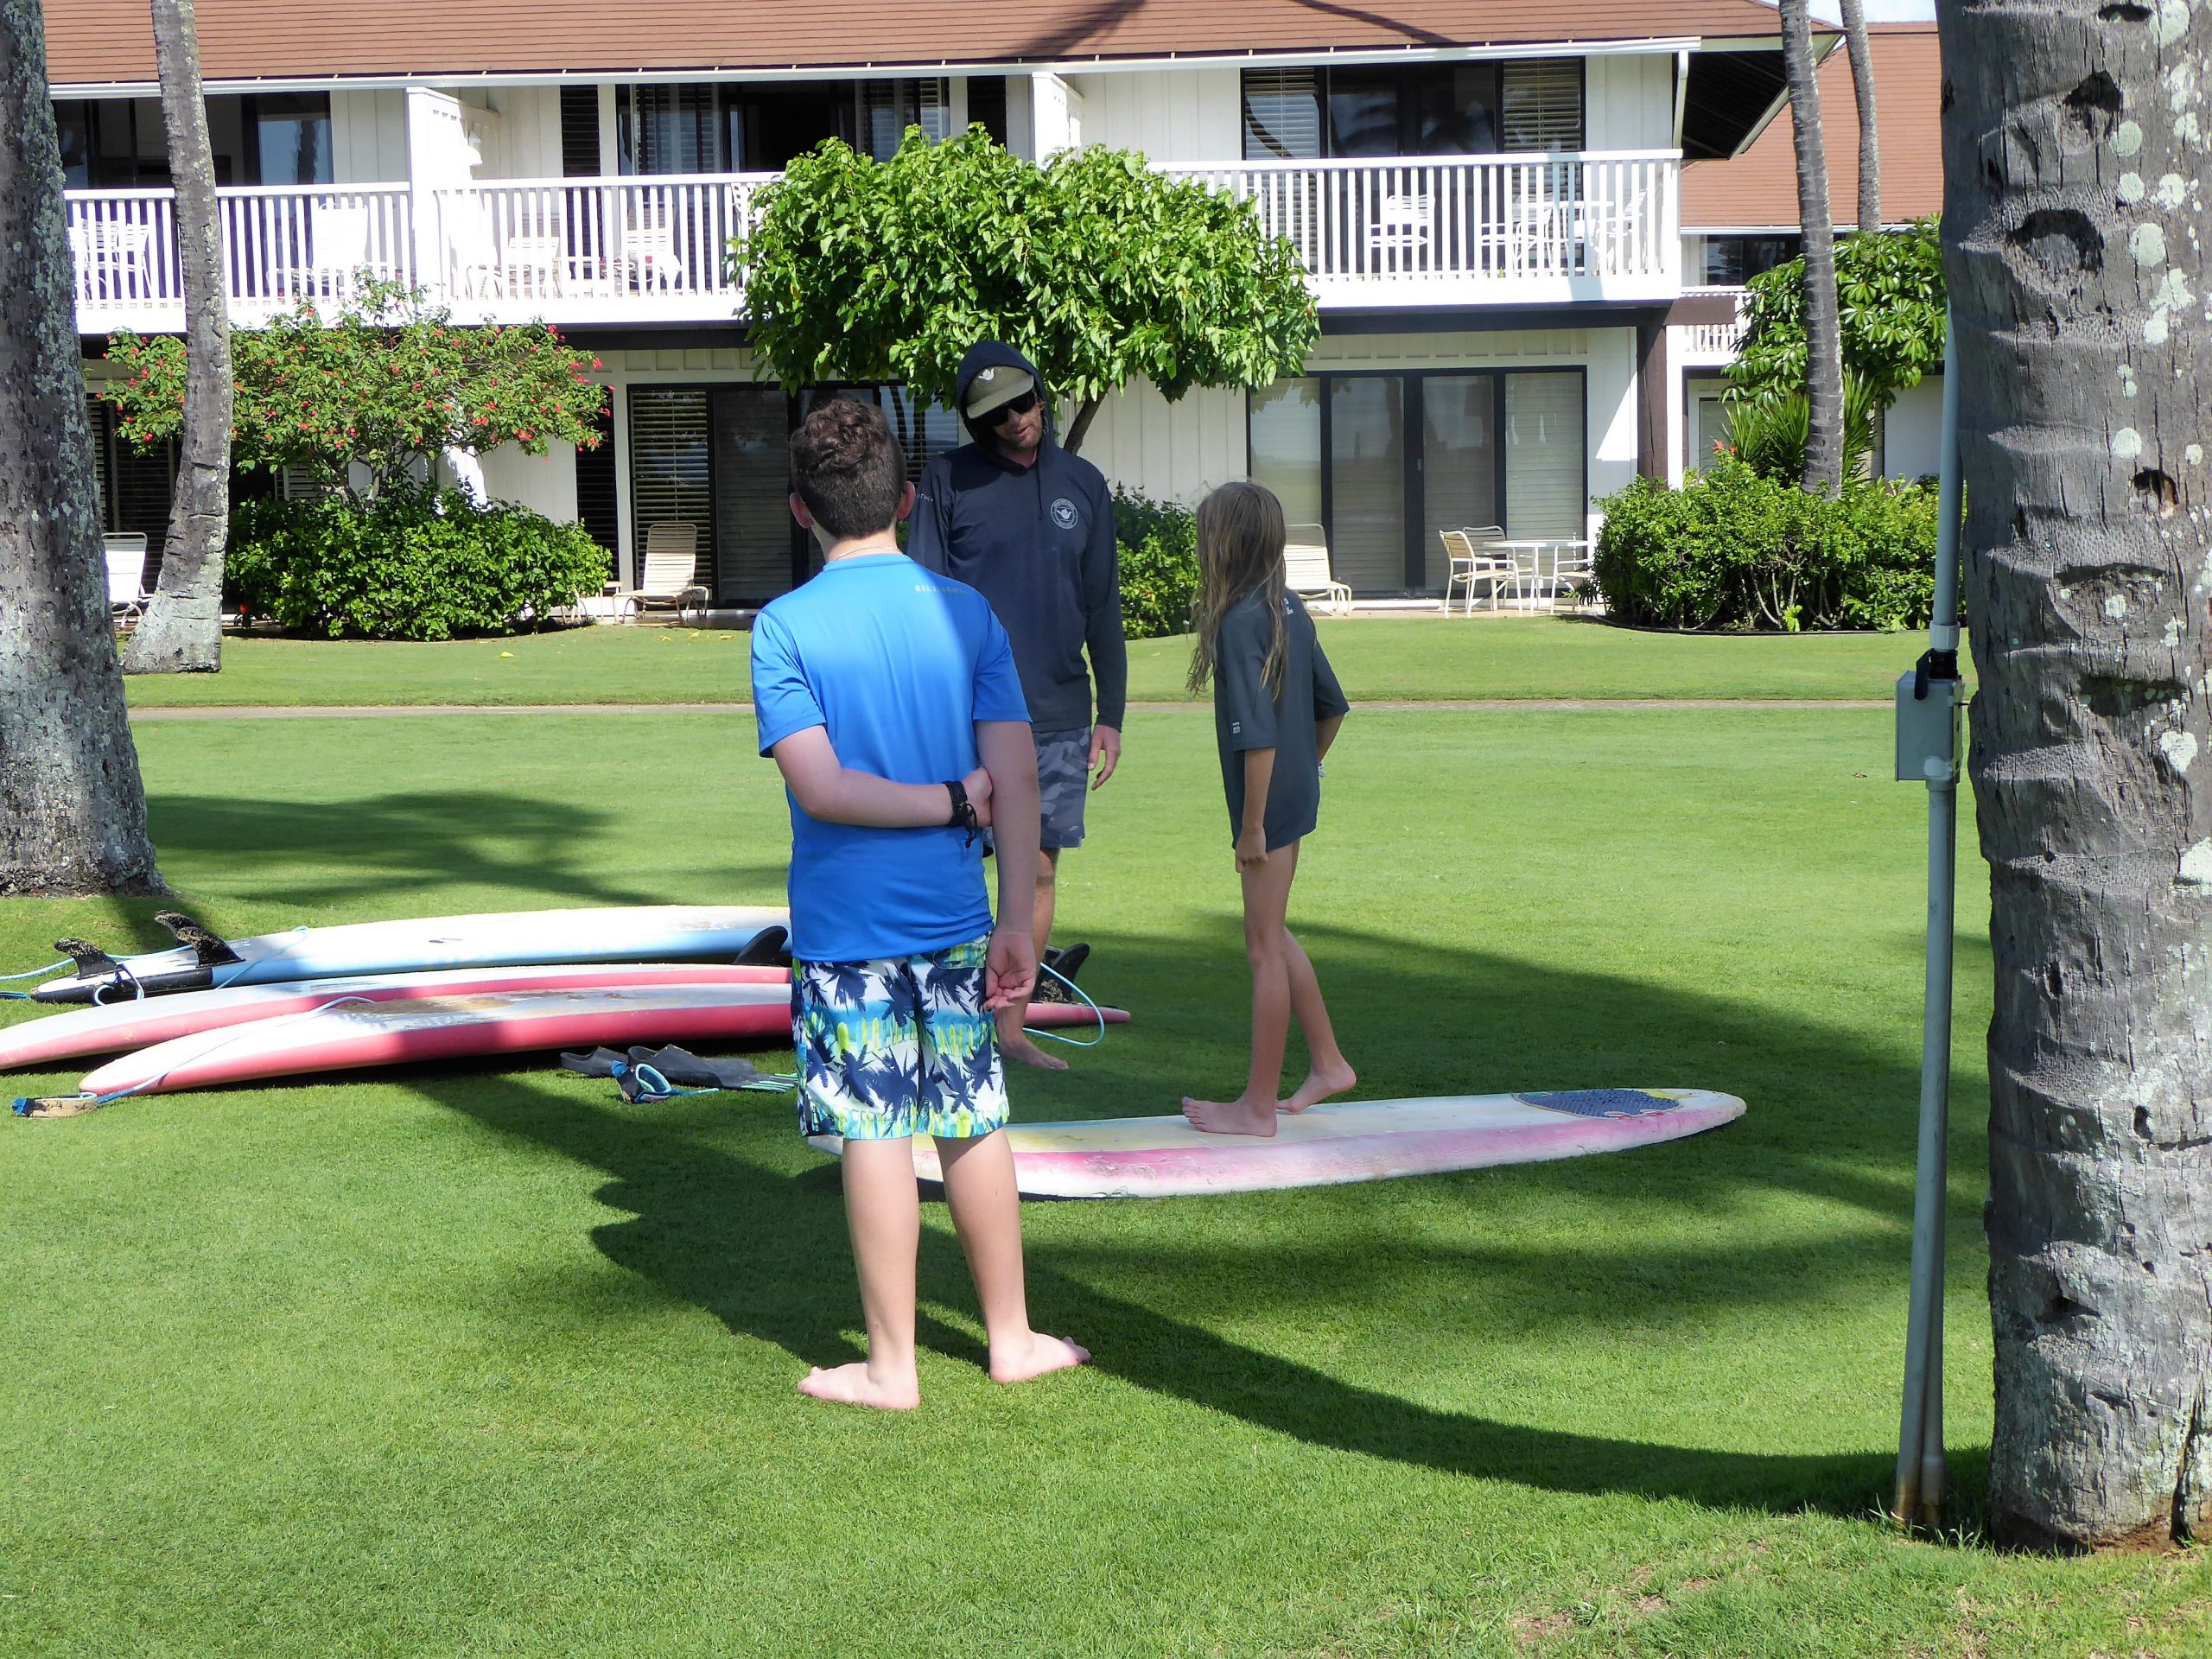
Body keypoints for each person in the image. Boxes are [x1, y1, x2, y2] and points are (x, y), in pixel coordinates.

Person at [749, 397, 1088, 1408]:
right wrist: (1019, 918)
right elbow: (1015, 779)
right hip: (953, 922)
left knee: (874, 1129)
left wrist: (945, 805)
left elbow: (824, 788)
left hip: (847, 932)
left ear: (801, 511)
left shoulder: (782, 626)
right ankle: (1011, 1338)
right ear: (902, 499)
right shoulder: (966, 612)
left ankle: (892, 1366)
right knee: (972, 1121)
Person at [908, 341, 1126, 1072]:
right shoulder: (948, 483)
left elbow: (1104, 608)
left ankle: (1008, 1033)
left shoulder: (1085, 484)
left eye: (1025, 402)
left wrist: (1113, 713)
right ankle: (939, 1021)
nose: (1018, 420)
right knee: (952, 866)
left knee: (1035, 872)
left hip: (1061, 712)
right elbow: (921, 603)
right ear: (979, 422)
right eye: (997, 414)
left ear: (1041, 394)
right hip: (965, 717)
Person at [1179, 481, 1357, 1138]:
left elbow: (1255, 736)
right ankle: (1329, 1062)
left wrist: (1253, 825)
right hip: (1293, 789)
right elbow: (1331, 706)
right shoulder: (1287, 606)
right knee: (1274, 931)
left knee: (1261, 946)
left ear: (1226, 544)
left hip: (1270, 802)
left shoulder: (1239, 621)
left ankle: (1257, 1108)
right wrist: (1305, 770)